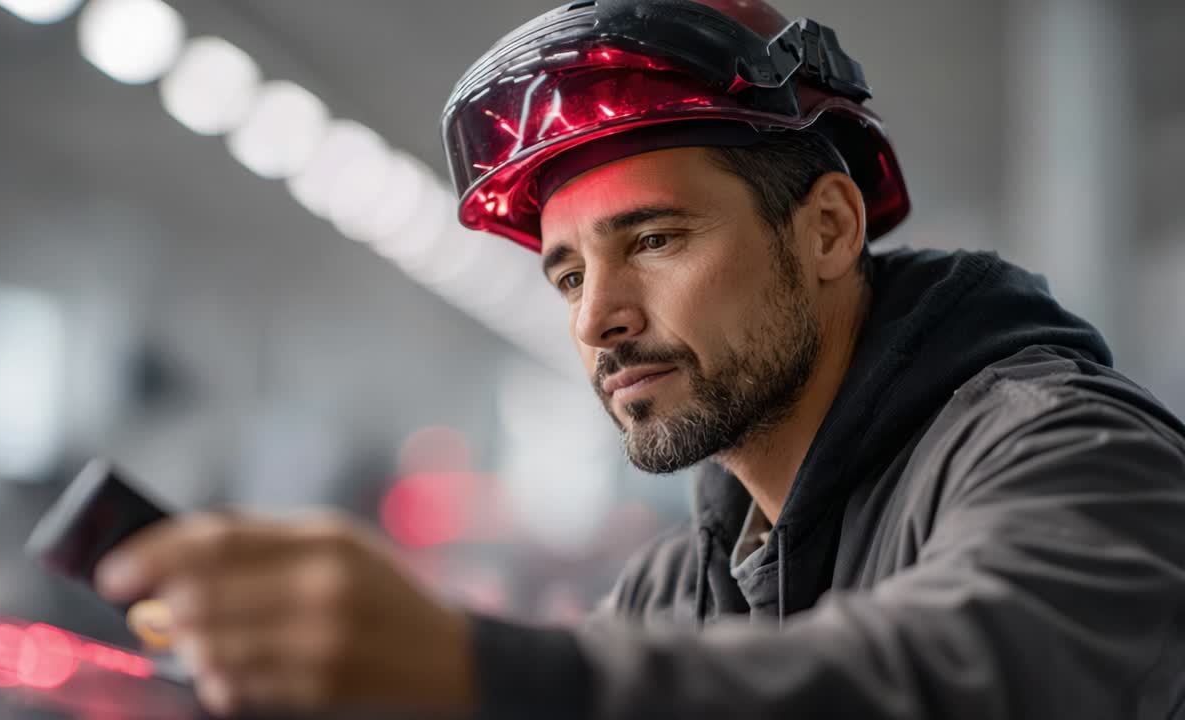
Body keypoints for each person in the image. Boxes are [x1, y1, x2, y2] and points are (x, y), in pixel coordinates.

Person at [95, 1, 1185, 718]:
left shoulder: (1066, 451)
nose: (596, 318)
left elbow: (977, 678)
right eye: (567, 275)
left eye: (653, 241)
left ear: (826, 230)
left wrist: (479, 672)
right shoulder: (680, 586)